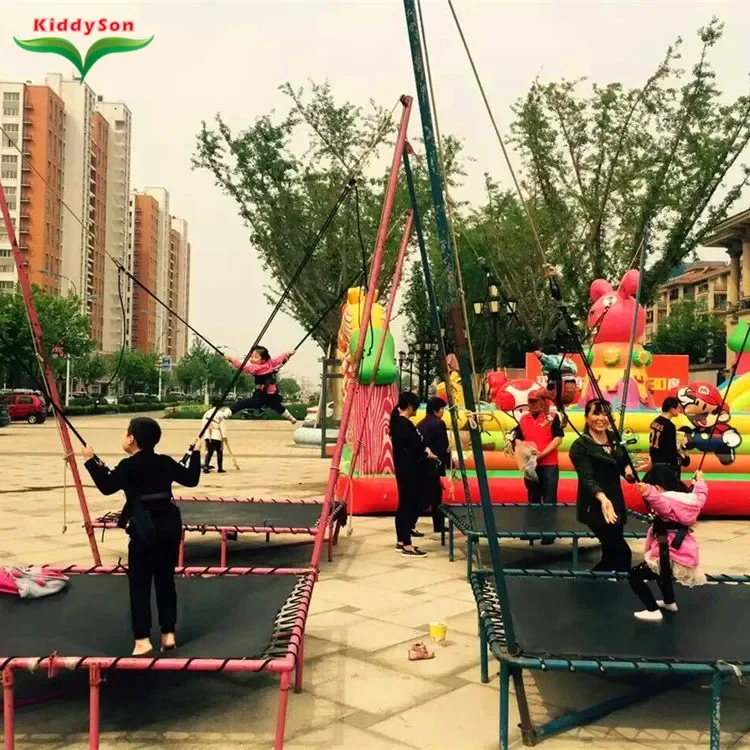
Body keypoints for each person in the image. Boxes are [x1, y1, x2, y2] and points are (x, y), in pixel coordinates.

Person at [82, 417, 201, 656]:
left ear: (132, 439)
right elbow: (191, 479)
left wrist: (90, 461)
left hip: (144, 532)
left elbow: (106, 486)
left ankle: (142, 640)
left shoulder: (128, 466)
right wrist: (196, 453)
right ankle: (168, 635)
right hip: (169, 528)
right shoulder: (165, 462)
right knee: (165, 582)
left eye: (125, 433)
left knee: (140, 585)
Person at [628, 466, 708, 621]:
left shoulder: (666, 501)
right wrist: (700, 481)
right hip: (682, 551)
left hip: (668, 551)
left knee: (635, 576)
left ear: (657, 487)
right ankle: (669, 602)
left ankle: (652, 610)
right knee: (661, 575)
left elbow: (659, 503)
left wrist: (647, 491)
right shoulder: (689, 500)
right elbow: (701, 495)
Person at [569, 399, 635, 572]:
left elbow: (623, 462)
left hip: (616, 504)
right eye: (596, 413)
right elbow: (587, 478)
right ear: (586, 417)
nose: (601, 418)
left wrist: (628, 472)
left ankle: (593, 586)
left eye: (605, 413)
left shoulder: (614, 438)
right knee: (623, 553)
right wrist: (602, 498)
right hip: (595, 505)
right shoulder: (579, 446)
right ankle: (627, 588)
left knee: (610, 554)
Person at [511, 391, 564, 542]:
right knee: (533, 497)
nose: (533, 404)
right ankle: (532, 531)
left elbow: (558, 439)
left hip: (549, 464)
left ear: (543, 402)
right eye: (530, 401)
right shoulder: (523, 418)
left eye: (536, 401)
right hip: (530, 465)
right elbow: (518, 438)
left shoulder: (553, 418)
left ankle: (548, 534)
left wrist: (541, 454)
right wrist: (522, 449)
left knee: (549, 498)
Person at [390, 391, 436, 557]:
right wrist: (426, 453)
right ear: (410, 406)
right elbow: (414, 447)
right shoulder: (403, 424)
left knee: (404, 505)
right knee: (408, 506)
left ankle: (402, 540)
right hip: (409, 470)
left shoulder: (399, 423)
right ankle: (407, 545)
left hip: (404, 469)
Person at [227, 347, 297, 424]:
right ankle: (291, 418)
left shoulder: (254, 368)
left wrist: (231, 360)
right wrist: (288, 353)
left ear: (263, 359)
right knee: (277, 406)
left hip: (261, 395)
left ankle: (224, 415)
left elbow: (242, 366)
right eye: (251, 357)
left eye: (256, 357)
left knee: (240, 404)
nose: (252, 359)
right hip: (272, 394)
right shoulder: (271, 364)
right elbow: (279, 359)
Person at [417, 396, 450, 535]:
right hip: (434, 464)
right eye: (442, 409)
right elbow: (444, 445)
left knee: (430, 495)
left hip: (423, 464)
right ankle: (437, 524)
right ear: (436, 410)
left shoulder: (420, 424)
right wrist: (446, 461)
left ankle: (438, 525)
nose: (443, 412)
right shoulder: (439, 424)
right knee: (433, 497)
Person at [645, 397, 689, 481]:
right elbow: (671, 449)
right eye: (678, 407)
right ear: (672, 409)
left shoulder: (655, 422)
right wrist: (683, 458)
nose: (679, 410)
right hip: (666, 465)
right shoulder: (669, 426)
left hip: (655, 461)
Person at [533, 345, 577, 409]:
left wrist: (540, 356)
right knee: (553, 392)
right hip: (571, 395)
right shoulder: (567, 360)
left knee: (539, 394)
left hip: (561, 394)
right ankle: (562, 413)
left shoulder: (551, 358)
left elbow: (552, 364)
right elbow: (575, 370)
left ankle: (547, 415)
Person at [201, 403, 232, 473]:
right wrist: (224, 436)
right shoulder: (220, 414)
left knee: (210, 451)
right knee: (219, 451)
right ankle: (220, 468)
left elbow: (203, 424)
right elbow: (222, 426)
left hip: (207, 435)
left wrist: (205, 435)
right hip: (216, 435)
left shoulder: (207, 413)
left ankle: (206, 466)